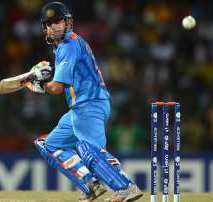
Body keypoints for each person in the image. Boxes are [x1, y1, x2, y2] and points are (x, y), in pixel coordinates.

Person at [26, 2, 143, 202]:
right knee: (48, 144)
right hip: (80, 108)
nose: (54, 26)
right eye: (49, 23)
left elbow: (56, 88)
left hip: (89, 104)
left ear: (67, 22)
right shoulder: (65, 46)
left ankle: (126, 187)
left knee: (90, 150)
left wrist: (38, 83)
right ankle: (90, 184)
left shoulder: (69, 45)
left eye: (58, 21)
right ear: (44, 28)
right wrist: (40, 76)